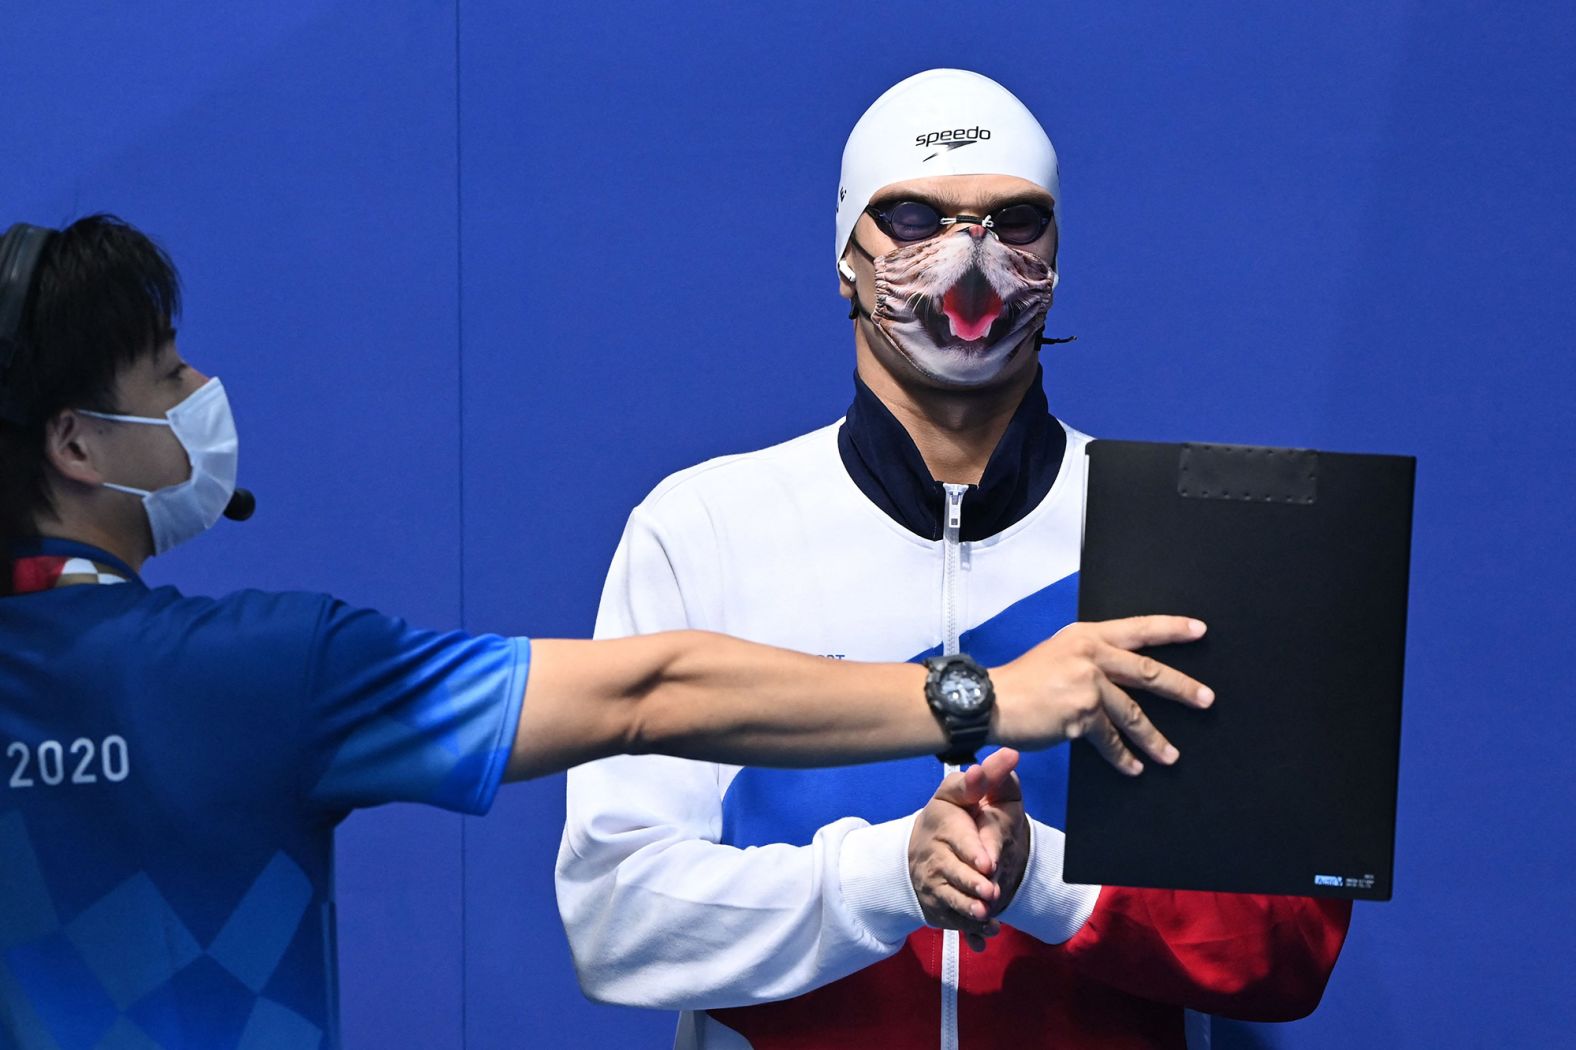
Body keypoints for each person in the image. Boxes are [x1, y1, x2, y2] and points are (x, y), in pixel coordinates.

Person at [0, 215, 1210, 1048]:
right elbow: (650, 696)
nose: (199, 393)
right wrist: (980, 701)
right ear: (75, 442)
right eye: (166, 376)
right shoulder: (265, 673)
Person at [556, 69, 1352, 1049]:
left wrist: (1039, 884)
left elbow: (1284, 947)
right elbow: (616, 922)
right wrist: (890, 876)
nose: (965, 256)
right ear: (845, 253)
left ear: (1059, 253)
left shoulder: (1195, 538)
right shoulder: (705, 527)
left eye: (1012, 221)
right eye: (913, 217)